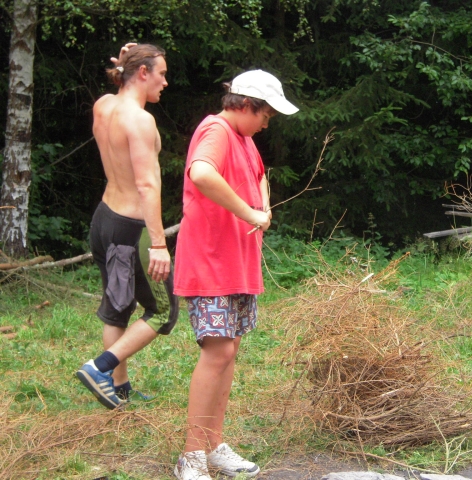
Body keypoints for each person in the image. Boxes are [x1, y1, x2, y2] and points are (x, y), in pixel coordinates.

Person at [172, 70, 298, 480]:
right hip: (210, 261)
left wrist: (264, 208)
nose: (267, 123)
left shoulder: (244, 140)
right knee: (218, 353)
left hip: (238, 264)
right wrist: (248, 213)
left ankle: (214, 446)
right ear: (244, 105)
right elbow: (201, 173)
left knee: (229, 353)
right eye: (265, 114)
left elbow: (260, 177)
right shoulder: (217, 130)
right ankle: (191, 456)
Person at [76, 44, 179, 410]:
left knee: (117, 306)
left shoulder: (104, 105)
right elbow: (147, 185)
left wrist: (124, 67)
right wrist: (158, 244)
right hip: (131, 230)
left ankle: (119, 390)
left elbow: (122, 89)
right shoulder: (140, 121)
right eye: (161, 74)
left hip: (104, 219)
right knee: (164, 311)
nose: (165, 82)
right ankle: (99, 368)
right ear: (143, 73)